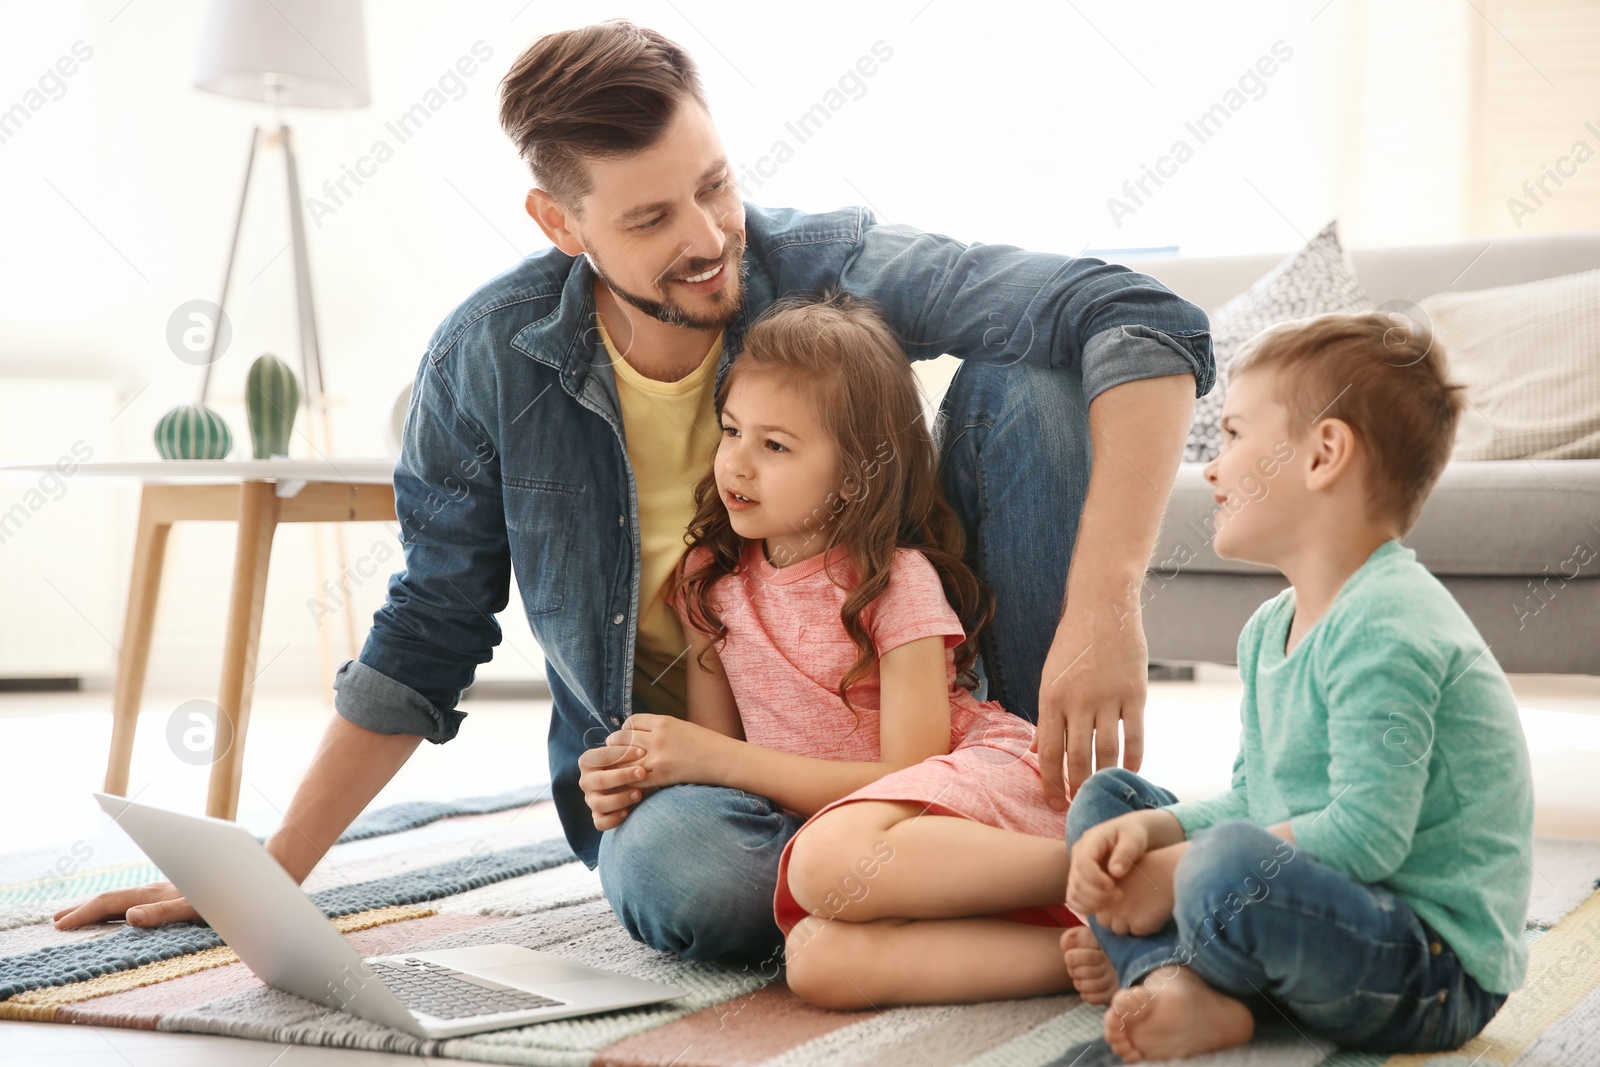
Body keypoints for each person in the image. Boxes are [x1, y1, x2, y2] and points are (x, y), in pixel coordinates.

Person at [55, 19, 1212, 967]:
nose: (712, 240)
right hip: (705, 773)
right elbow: (428, 627)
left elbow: (1139, 313)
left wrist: (1108, 604)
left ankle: (1034, 812)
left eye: (715, 186)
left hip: (939, 730)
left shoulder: (818, 266)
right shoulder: (490, 359)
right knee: (679, 880)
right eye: (652, 218)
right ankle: (1026, 870)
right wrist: (268, 873)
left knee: (1042, 368)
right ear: (560, 225)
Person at [606, 291, 1127, 1007]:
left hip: (954, 797)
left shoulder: (896, 581)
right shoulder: (710, 582)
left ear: (857, 472)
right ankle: (1098, 951)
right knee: (816, 961)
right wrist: (646, 770)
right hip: (854, 844)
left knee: (825, 865)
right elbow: (723, 769)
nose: (738, 464)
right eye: (731, 431)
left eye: (775, 445)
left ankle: (1119, 861)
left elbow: (911, 771)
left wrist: (708, 755)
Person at [1060, 312, 1533, 1061]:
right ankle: (1174, 978)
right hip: (1315, 914)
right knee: (1106, 804)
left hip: (1430, 966)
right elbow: (1254, 798)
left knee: (1218, 865)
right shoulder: (1268, 627)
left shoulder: (1389, 622)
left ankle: (1165, 959)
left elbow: (1366, 836)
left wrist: (1170, 875)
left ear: (1324, 455)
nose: (1212, 467)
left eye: (1236, 436)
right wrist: (1148, 838)